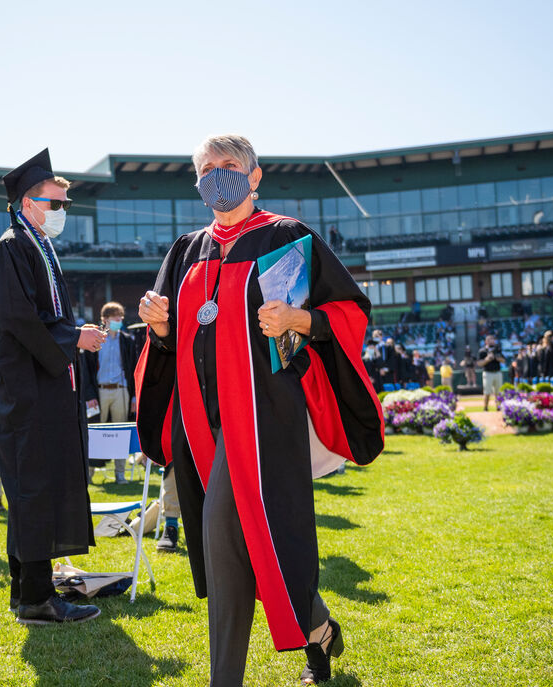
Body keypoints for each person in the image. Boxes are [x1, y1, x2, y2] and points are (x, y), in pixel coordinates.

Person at [135, 135, 383, 685]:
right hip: (204, 421)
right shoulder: (185, 250)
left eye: (228, 166)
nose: (216, 175)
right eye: (206, 168)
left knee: (224, 536)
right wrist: (158, 324)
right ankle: (318, 631)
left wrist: (300, 322)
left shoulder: (285, 237)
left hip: (263, 417)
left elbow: (346, 311)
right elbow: (175, 339)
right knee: (250, 539)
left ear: (254, 176)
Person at [0, 149, 105, 625]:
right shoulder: (12, 247)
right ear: (27, 202)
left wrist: (72, 337)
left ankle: (25, 591)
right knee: (33, 489)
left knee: (37, 488)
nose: (61, 213)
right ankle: (36, 599)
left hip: (44, 390)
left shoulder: (38, 244)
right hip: (26, 393)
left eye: (64, 205)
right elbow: (18, 318)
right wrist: (73, 337)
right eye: (55, 203)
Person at [81, 301, 140, 484]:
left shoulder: (126, 340)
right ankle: (89, 473)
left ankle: (120, 474)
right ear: (105, 319)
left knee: (120, 434)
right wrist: (89, 395)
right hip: (100, 392)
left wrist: (134, 395)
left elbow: (133, 370)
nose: (119, 320)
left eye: (121, 317)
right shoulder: (95, 339)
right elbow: (86, 371)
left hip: (121, 391)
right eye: (116, 317)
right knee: (95, 432)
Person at [476, 334, 505, 410]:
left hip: (497, 372)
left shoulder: (497, 349)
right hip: (487, 372)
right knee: (487, 392)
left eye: (493, 340)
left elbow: (503, 360)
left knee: (498, 392)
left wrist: (496, 357)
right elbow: (479, 363)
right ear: (486, 342)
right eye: (490, 340)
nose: (492, 341)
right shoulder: (482, 351)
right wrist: (487, 359)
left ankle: (498, 407)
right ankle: (485, 407)